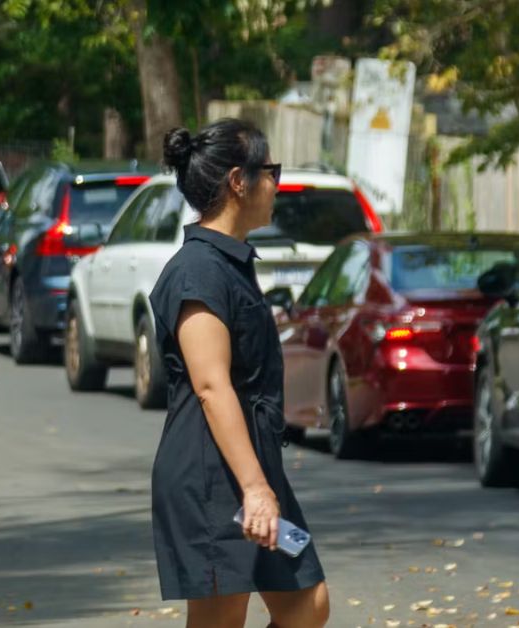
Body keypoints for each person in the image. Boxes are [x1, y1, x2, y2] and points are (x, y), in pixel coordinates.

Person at [148, 119, 329, 628]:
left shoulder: (230, 263)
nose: (277, 184)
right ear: (237, 180)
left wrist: (260, 480)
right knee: (222, 619)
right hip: (212, 476)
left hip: (248, 466)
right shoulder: (197, 270)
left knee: (306, 606)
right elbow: (211, 386)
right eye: (270, 170)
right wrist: (254, 488)